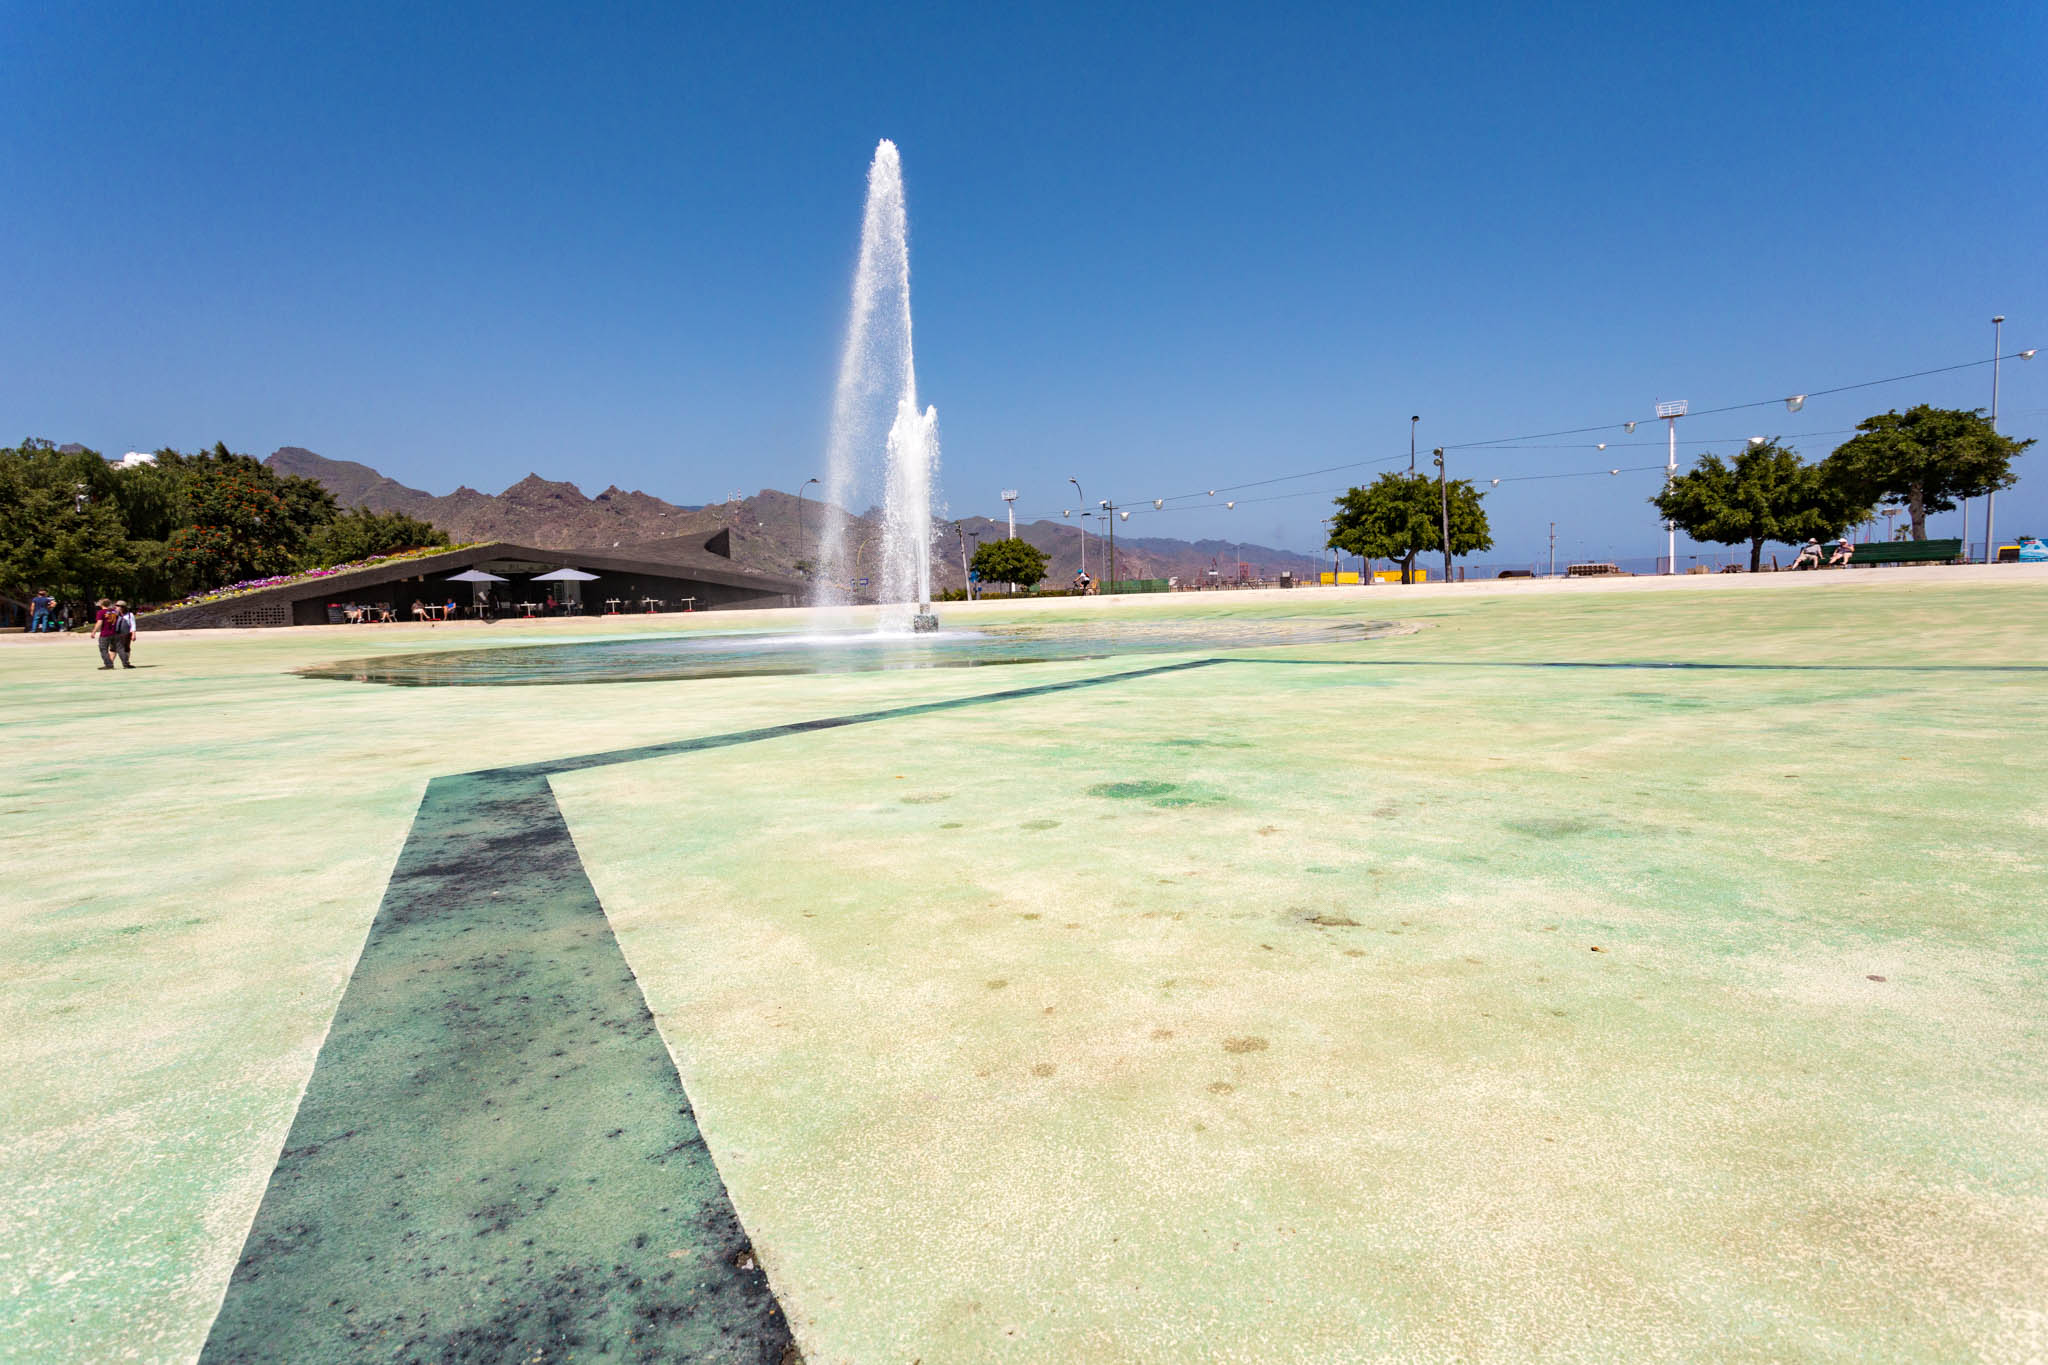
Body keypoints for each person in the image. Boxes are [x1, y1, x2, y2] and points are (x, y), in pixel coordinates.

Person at [92, 598, 118, 669]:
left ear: (101, 604)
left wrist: (94, 631)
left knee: (103, 649)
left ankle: (108, 664)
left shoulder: (101, 612)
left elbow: (99, 622)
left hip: (105, 634)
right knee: (113, 649)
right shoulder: (114, 611)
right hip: (115, 633)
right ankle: (111, 662)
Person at [113, 601, 136, 667]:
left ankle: (126, 663)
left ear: (123, 607)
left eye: (119, 606)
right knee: (113, 648)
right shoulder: (114, 614)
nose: (117, 607)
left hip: (126, 634)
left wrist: (133, 634)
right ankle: (109, 663)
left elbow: (133, 625)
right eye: (117, 605)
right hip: (116, 634)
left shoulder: (130, 615)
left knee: (126, 648)